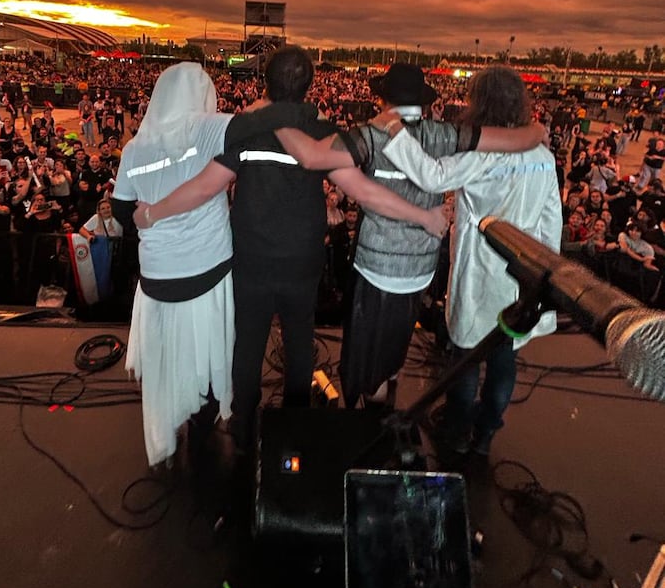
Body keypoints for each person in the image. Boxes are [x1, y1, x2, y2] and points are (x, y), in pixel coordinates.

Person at [133, 48, 451, 451]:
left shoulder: (246, 130)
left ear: (265, 82)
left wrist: (151, 214)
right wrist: (422, 216)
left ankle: (244, 427)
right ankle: (295, 423)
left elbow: (203, 187)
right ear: (309, 86)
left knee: (247, 342)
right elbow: (364, 191)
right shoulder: (322, 133)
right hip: (302, 259)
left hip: (252, 258)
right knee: (299, 339)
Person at [275, 62, 546, 410]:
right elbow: (517, 139)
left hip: (378, 268)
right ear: (423, 100)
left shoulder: (370, 135)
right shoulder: (447, 134)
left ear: (383, 98)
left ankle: (374, 427)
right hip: (421, 268)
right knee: (396, 347)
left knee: (368, 360)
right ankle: (388, 401)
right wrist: (537, 130)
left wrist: (270, 118)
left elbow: (312, 157)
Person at [375, 65, 562, 455]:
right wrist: (546, 278)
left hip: (481, 270)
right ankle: (486, 434)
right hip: (521, 275)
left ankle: (458, 432)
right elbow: (550, 219)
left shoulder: (485, 152)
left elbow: (432, 176)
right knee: (503, 355)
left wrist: (393, 131)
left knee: (466, 356)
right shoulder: (543, 156)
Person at [110, 63, 237, 467]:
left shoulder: (135, 147)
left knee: (166, 356)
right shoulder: (212, 128)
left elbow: (119, 209)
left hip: (158, 272)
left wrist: (152, 212)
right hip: (207, 265)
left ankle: (169, 427)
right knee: (208, 350)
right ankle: (203, 426)